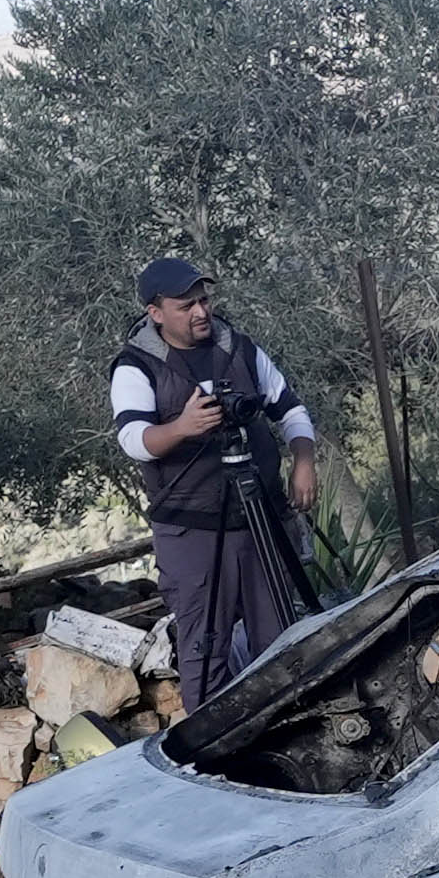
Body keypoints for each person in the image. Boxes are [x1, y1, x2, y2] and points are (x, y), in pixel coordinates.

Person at [111, 256, 320, 711]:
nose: (201, 312)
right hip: (192, 529)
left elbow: (290, 409)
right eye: (186, 305)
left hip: (260, 515)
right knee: (206, 646)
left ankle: (296, 723)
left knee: (283, 638)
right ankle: (210, 750)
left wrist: (303, 460)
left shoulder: (238, 348)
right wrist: (183, 427)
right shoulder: (136, 366)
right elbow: (133, 440)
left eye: (204, 300)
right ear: (156, 311)